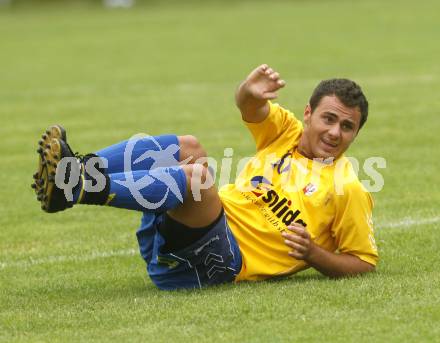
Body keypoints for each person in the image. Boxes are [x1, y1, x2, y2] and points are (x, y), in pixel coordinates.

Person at [32, 64, 378, 290]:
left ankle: (77, 188)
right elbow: (249, 107)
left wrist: (315, 254)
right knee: (189, 147)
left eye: (347, 127)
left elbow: (363, 262)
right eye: (329, 119)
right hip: (190, 230)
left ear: (356, 134)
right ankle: (77, 170)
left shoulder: (347, 188)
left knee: (197, 178)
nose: (335, 132)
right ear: (308, 113)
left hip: (217, 262)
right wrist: (248, 89)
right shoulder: (287, 132)